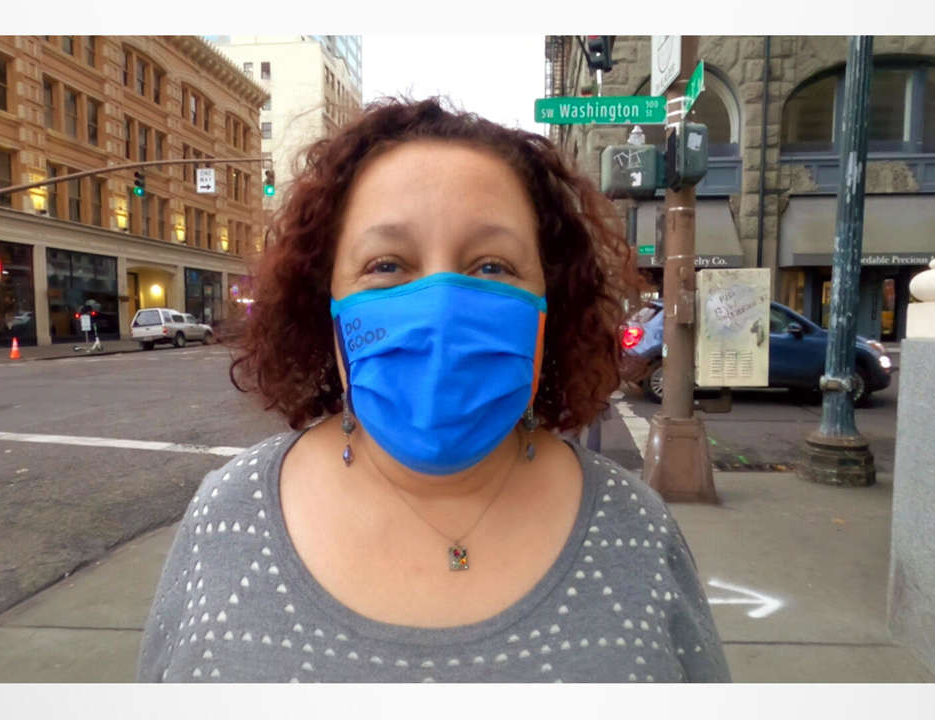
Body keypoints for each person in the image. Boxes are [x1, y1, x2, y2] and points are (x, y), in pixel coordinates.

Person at [136, 97, 730, 683]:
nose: (441, 307)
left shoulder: (637, 531)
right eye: (387, 265)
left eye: (492, 266)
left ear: (550, 303)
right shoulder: (228, 517)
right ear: (326, 303)